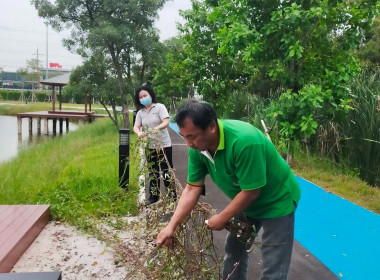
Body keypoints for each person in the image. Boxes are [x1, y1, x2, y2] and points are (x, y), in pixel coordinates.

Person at [156, 99, 301, 280]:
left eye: (191, 136)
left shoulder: (244, 142)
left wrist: (222, 217)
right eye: (183, 136)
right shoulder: (198, 149)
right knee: (233, 252)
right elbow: (192, 188)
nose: (188, 144)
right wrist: (172, 226)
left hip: (277, 201)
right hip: (246, 203)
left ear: (211, 127)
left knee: (273, 264)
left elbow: (252, 192)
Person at [133, 85, 176, 205]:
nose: (143, 98)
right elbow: (136, 127)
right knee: (153, 171)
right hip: (150, 146)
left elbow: (166, 122)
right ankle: (154, 196)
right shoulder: (140, 113)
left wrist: (155, 129)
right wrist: (139, 132)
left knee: (166, 171)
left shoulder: (159, 107)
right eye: (141, 97)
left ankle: (172, 196)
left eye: (145, 95)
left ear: (151, 95)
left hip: (163, 145)